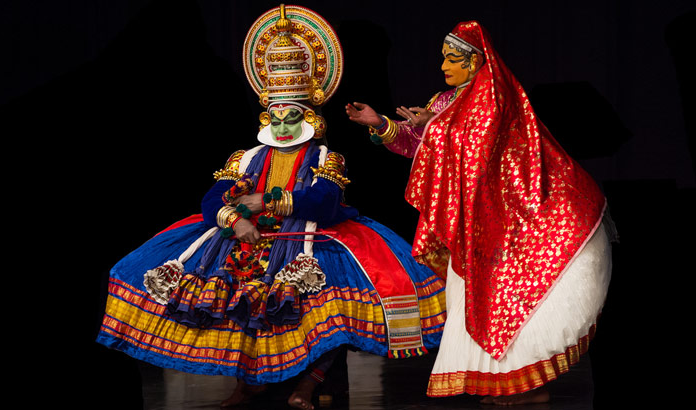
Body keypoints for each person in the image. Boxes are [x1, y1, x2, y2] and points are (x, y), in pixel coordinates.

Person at [97, 5, 446, 410]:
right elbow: (213, 199)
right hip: (247, 238)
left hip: (311, 237)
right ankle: (250, 382)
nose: (282, 127)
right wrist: (233, 219)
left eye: (291, 117)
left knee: (333, 308)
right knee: (237, 302)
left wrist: (267, 199)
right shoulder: (245, 157)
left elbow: (326, 203)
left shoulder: (325, 157)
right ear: (267, 116)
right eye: (275, 118)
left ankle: (308, 384)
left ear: (308, 116)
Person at [346, 20, 615, 406]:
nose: (444, 67)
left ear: (475, 62)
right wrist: (384, 125)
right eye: (443, 59)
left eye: (453, 60)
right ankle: (500, 383)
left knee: (512, 300)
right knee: (470, 302)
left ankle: (528, 386)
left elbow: (478, 144)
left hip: (511, 219)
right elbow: (426, 146)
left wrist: (435, 126)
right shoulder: (445, 101)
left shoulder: (495, 95)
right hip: (471, 220)